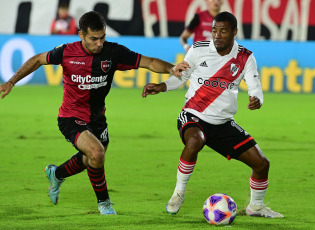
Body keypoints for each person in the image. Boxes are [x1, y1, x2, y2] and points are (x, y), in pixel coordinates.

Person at [0, 11, 188, 215]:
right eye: (93, 39)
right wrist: (11, 81)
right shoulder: (66, 52)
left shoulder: (113, 52)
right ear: (81, 35)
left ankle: (56, 173)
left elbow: (149, 62)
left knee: (91, 159)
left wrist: (171, 69)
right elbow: (37, 59)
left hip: (98, 119)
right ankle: (104, 204)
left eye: (102, 37)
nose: (99, 43)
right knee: (96, 153)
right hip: (70, 117)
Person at [142, 11, 284, 218]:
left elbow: (256, 87)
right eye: (214, 30)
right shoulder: (198, 49)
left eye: (223, 31)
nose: (217, 35)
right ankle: (178, 193)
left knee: (262, 163)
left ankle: (256, 207)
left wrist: (257, 99)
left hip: (223, 123)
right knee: (195, 141)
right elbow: (181, 77)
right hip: (193, 115)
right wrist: (162, 86)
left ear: (234, 32)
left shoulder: (245, 57)